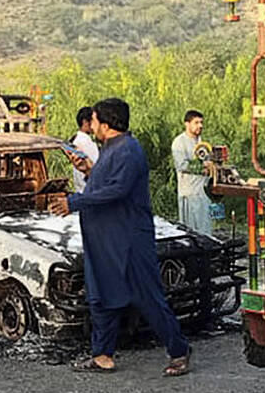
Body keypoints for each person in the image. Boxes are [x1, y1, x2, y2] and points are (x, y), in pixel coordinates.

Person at [49, 98, 190, 375]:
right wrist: (88, 170)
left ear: (106, 123)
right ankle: (102, 355)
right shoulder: (111, 150)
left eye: (94, 121)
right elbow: (104, 184)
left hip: (128, 240)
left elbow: (117, 190)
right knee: (100, 295)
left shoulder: (128, 150)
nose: (92, 126)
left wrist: (74, 202)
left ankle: (179, 350)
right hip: (105, 239)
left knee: (146, 295)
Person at [171, 110, 213, 235]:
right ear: (187, 124)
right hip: (189, 192)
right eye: (196, 122)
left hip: (204, 192)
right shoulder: (179, 142)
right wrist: (202, 167)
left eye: (201, 122)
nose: (200, 125)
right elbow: (181, 165)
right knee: (190, 230)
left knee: (205, 227)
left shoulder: (201, 142)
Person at [69, 106, 99, 193]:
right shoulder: (84, 142)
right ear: (85, 122)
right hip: (88, 188)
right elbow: (95, 165)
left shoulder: (80, 140)